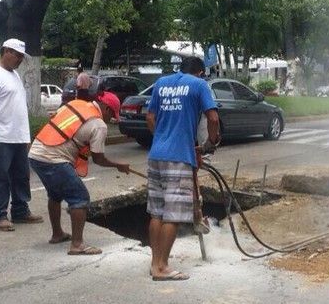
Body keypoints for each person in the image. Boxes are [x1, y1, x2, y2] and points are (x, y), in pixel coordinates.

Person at [146, 56, 220, 281]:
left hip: (156, 155)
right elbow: (213, 118)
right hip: (178, 157)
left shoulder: (161, 83)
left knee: (157, 212)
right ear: (199, 72)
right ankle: (162, 268)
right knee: (174, 215)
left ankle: (154, 263)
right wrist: (211, 142)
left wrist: (161, 137)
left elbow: (150, 117)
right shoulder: (199, 85)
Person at [28, 90, 129, 254]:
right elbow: (98, 159)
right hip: (54, 159)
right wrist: (118, 165)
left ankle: (57, 234)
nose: (110, 120)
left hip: (36, 153)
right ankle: (77, 245)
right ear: (107, 109)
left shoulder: (76, 104)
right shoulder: (98, 125)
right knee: (80, 198)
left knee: (55, 194)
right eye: (112, 116)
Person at [0, 38, 42, 232]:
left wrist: (26, 137)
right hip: (0, 136)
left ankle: (21, 210)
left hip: (19, 136)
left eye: (22, 56)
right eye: (17, 55)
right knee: (0, 177)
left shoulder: (14, 75)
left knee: (21, 176)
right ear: (6, 51)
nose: (20, 59)